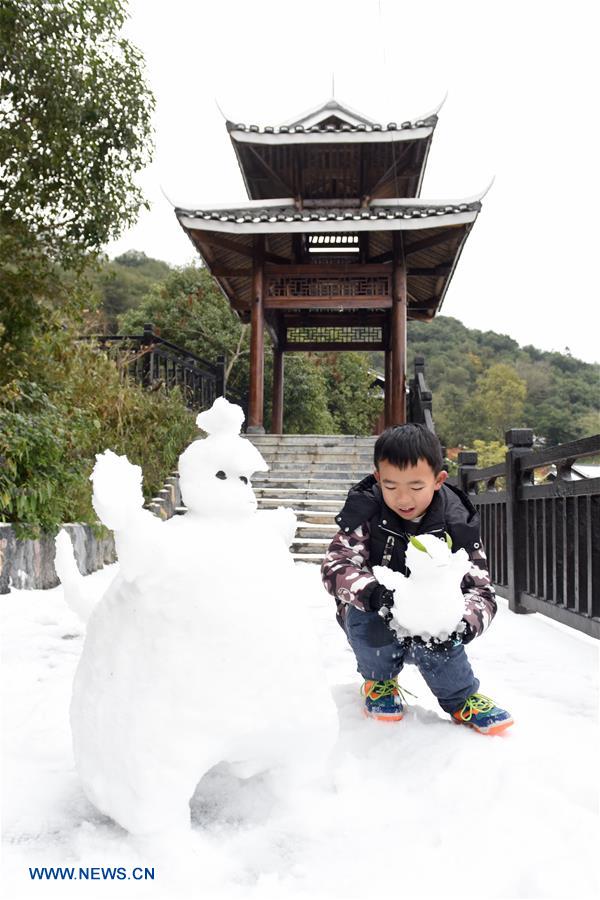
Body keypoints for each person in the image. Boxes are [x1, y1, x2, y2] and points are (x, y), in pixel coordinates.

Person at [321, 424, 513, 736]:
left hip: (430, 617)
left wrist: (465, 622)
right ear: (378, 477)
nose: (403, 497)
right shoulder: (366, 511)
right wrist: (373, 593)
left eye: (415, 486)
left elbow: (481, 588)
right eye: (391, 486)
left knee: (443, 633)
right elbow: (336, 564)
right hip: (379, 609)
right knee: (365, 618)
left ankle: (461, 699)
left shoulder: (456, 522)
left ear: (438, 480)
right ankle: (379, 682)